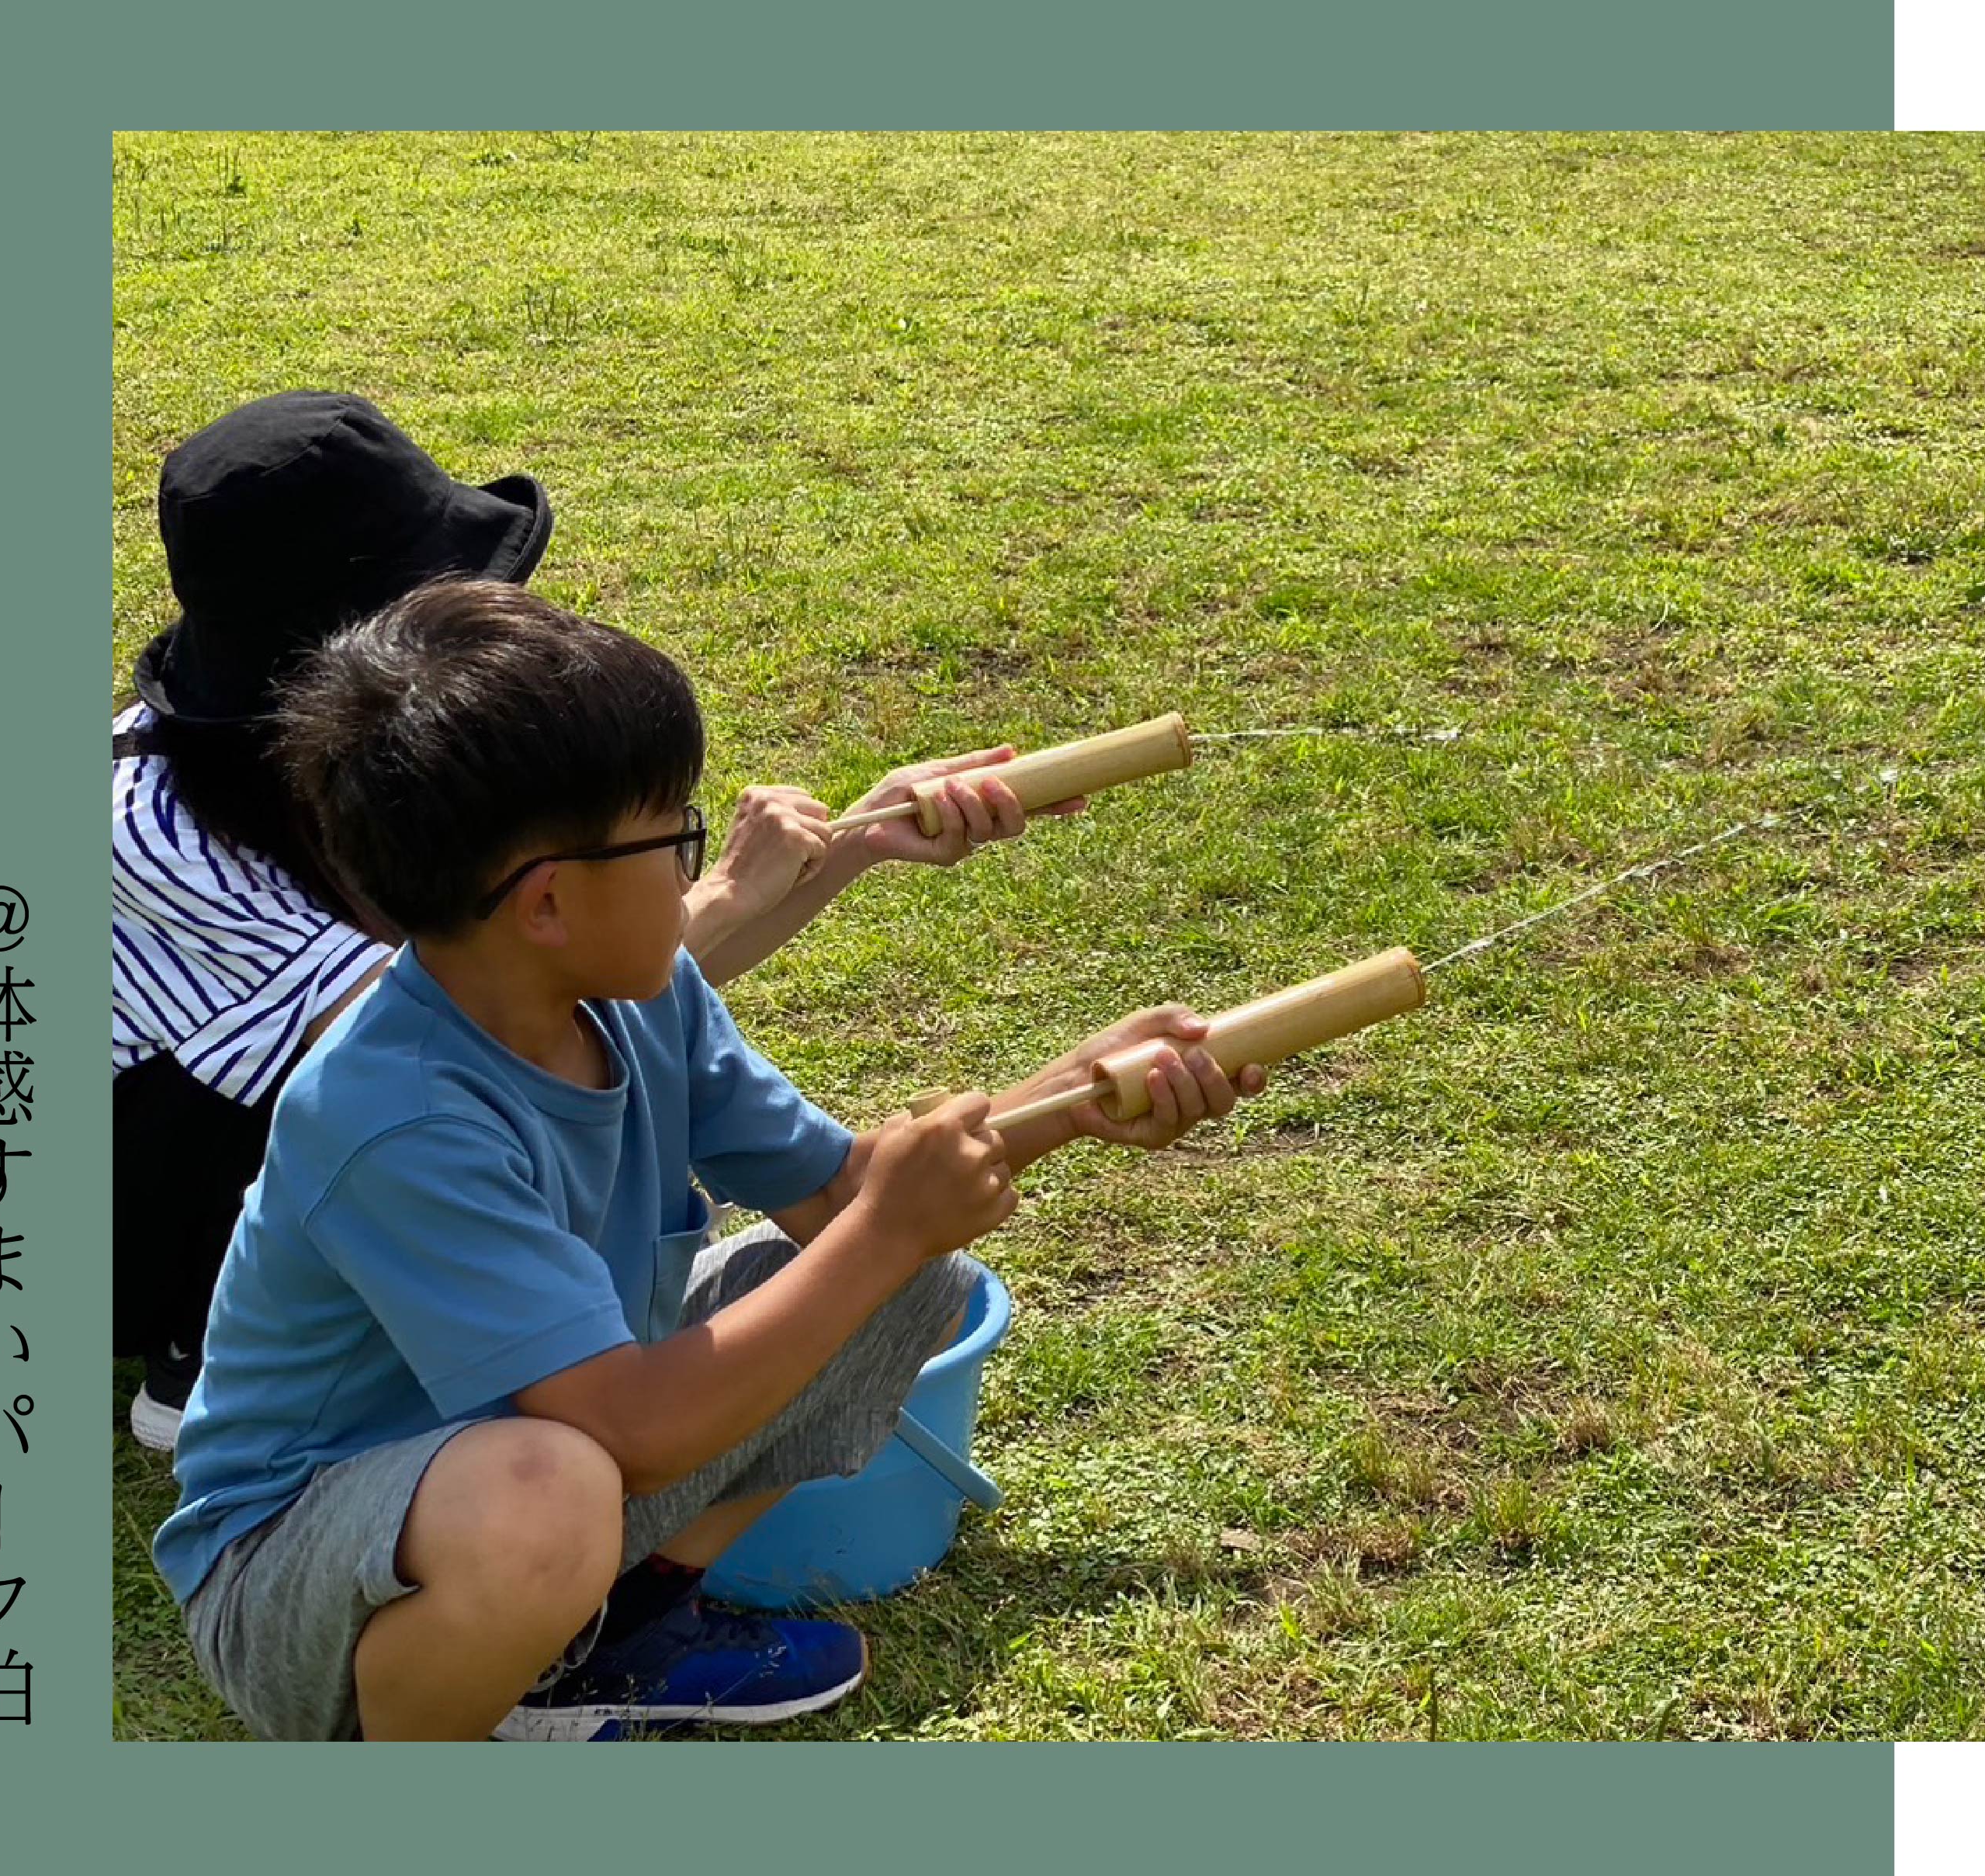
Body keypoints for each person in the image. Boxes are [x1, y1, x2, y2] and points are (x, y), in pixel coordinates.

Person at [152, 581, 1259, 1740]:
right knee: (552, 1493)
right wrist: (885, 1227)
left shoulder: (639, 994)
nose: (697, 869)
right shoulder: (397, 1113)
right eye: (673, 836)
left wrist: (1074, 1097)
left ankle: (605, 1639)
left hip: (535, 1455)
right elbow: (630, 1429)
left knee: (910, 1280)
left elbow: (842, 1198)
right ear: (545, 903)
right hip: (304, 1577)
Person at [113, 390, 1059, 1448]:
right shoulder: (160, 838)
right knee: (535, 1439)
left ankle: (631, 1573)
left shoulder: (439, 843)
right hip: (156, 1214)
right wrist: (746, 888)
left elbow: (589, 956)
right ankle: (190, 1341)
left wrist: (856, 844)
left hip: (433, 1143)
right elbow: (473, 1011)